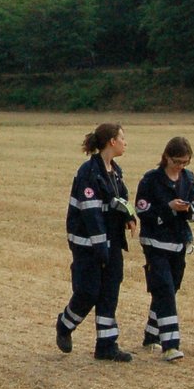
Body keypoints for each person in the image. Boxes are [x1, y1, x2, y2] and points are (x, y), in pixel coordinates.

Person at [56, 123, 137, 362]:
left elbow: (121, 199)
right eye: (122, 137)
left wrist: (129, 216)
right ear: (111, 141)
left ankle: (106, 345)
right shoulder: (89, 173)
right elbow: (91, 215)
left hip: (110, 242)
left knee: (110, 292)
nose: (125, 142)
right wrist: (101, 249)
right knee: (88, 292)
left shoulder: (115, 171)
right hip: (88, 244)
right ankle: (65, 325)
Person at [136, 137, 194, 362]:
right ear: (166, 157)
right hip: (155, 243)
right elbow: (142, 210)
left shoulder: (188, 178)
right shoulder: (150, 180)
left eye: (185, 162)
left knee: (170, 288)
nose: (181, 166)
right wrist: (168, 208)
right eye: (177, 161)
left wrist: (190, 209)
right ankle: (171, 345)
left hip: (178, 243)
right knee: (164, 288)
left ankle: (151, 333)